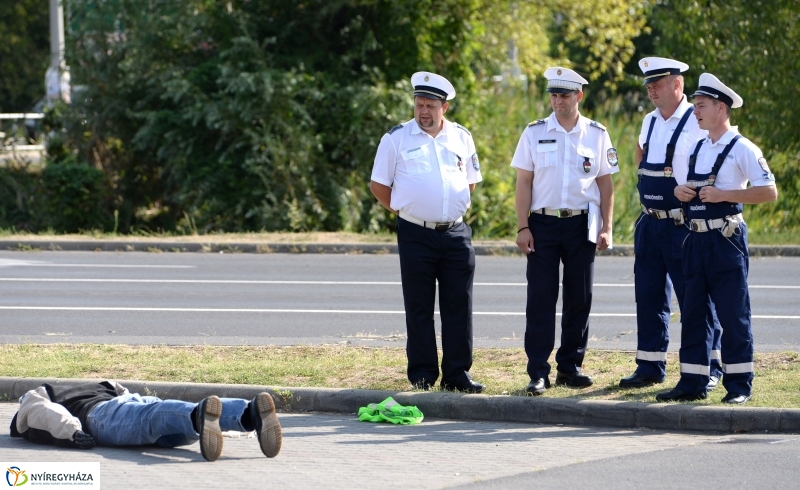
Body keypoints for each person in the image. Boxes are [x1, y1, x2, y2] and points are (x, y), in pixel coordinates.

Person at [657, 73, 778, 404]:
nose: (695, 112)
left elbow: (768, 192)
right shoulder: (699, 145)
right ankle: (692, 381)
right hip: (695, 239)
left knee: (732, 313)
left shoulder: (743, 147)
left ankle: (739, 386)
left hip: (725, 239)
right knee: (694, 312)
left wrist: (725, 194)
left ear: (721, 108)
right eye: (695, 106)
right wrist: (681, 192)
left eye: (701, 106)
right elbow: (691, 188)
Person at [370, 71, 484, 393]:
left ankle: (457, 375)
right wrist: (408, 210)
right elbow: (378, 185)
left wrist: (446, 206)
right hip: (415, 234)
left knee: (458, 305)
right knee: (419, 307)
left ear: (444, 107)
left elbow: (470, 181)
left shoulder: (462, 137)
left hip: (456, 233)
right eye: (419, 104)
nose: (423, 111)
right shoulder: (396, 138)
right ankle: (422, 375)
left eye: (430, 105)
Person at [512, 67, 617, 396]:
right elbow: (524, 182)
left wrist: (607, 227)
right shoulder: (534, 132)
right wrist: (522, 226)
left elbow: (605, 184)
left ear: (579, 96)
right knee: (541, 298)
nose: (557, 101)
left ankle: (570, 367)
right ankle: (538, 372)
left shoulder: (596, 134)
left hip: (581, 222)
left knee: (579, 298)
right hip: (542, 223)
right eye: (554, 95)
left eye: (564, 95)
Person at [620, 57, 724, 389]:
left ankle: (709, 366)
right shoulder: (650, 120)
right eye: (648, 85)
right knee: (649, 296)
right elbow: (640, 153)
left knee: (695, 297)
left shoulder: (696, 119)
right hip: (651, 223)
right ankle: (650, 366)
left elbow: (713, 158)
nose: (651, 89)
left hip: (684, 224)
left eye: (658, 83)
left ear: (677, 84)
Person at [10, 381, 283, 461]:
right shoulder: (101, 383)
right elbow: (125, 393)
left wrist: (72, 433)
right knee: (172, 423)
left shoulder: (36, 395)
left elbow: (40, 414)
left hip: (100, 415)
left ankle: (198, 416)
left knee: (153, 418)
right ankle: (247, 414)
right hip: (132, 399)